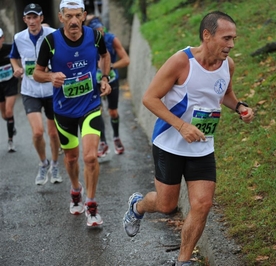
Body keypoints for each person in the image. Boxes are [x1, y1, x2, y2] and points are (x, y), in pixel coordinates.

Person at [122, 11, 254, 265]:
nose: (231, 45)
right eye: (226, 38)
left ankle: (182, 261)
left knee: (202, 204)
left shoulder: (228, 65)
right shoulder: (181, 62)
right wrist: (182, 126)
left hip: (203, 146)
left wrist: (239, 107)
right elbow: (149, 98)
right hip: (169, 143)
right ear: (207, 35)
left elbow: (224, 93)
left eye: (234, 38)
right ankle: (137, 206)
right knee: (166, 205)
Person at [33, 0, 112, 227]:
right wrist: (50, 76)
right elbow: (37, 73)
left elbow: (105, 56)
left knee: (89, 157)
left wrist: (104, 78)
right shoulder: (50, 41)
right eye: (69, 16)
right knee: (71, 157)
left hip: (90, 105)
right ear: (61, 17)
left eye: (78, 16)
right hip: (64, 109)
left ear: (85, 15)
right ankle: (76, 189)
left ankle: (91, 203)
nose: (74, 21)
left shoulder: (95, 37)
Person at [10, 3, 62, 185]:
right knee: (38, 133)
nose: (32, 21)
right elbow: (13, 56)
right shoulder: (19, 38)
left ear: (41, 18)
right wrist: (16, 68)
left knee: (54, 134)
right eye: (28, 18)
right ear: (24, 20)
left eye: (35, 17)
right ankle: (43, 163)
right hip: (30, 90)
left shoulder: (54, 35)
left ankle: (55, 164)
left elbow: (63, 55)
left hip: (50, 90)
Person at [85, 15, 130, 157]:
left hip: (111, 79)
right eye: (97, 31)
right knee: (97, 112)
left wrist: (110, 66)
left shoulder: (111, 39)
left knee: (113, 112)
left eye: (101, 29)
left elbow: (126, 60)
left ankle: (116, 137)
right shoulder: (86, 42)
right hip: (95, 81)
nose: (101, 32)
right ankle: (103, 142)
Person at [0, 28, 18, 152]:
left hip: (10, 82)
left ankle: (10, 140)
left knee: (9, 111)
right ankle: (11, 125)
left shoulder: (10, 48)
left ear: (2, 38)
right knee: (4, 115)